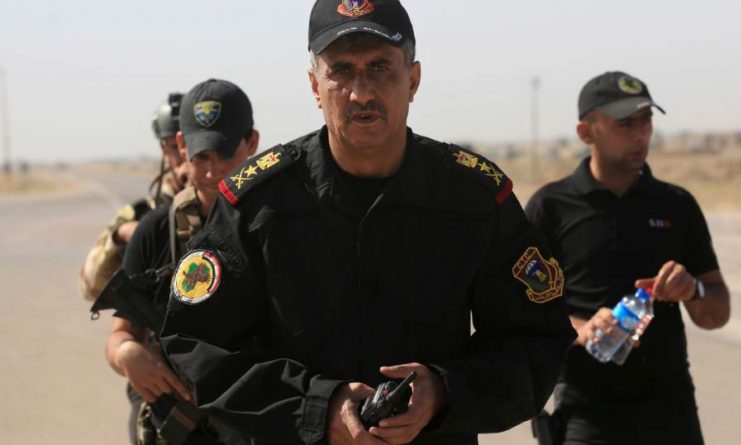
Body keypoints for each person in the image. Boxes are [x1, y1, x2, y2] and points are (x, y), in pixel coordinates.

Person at [159, 1, 575, 444]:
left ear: (412, 79)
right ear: (315, 86)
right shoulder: (258, 205)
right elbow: (196, 343)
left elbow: (537, 338)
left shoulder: (473, 198)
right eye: (341, 71)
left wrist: (443, 391)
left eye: (380, 68)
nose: (361, 94)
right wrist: (316, 406)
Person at [524, 71, 731, 445]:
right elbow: (522, 313)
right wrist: (582, 329)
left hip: (670, 412)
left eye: (646, 120)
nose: (640, 134)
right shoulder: (550, 208)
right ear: (586, 132)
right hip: (586, 414)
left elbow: (717, 314)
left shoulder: (677, 204)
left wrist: (693, 290)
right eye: (625, 123)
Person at [106, 79, 259, 444]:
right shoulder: (155, 231)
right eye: (201, 156)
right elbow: (121, 334)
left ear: (252, 143)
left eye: (225, 154)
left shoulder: (274, 224)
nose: (211, 171)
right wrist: (128, 355)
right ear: (181, 146)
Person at [78, 92, 188, 303]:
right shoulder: (142, 213)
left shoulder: (226, 205)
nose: (185, 155)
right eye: (176, 147)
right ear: (164, 150)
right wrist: (122, 237)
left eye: (193, 146)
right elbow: (90, 288)